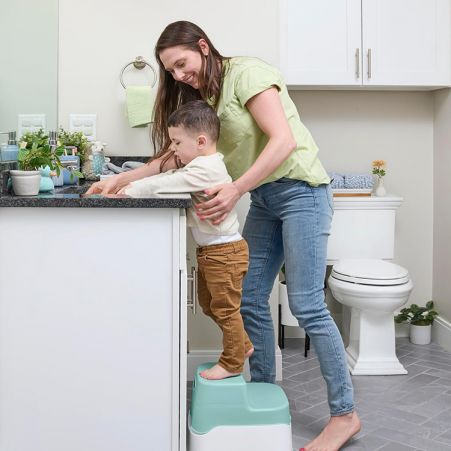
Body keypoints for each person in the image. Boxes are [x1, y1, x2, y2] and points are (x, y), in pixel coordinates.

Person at [87, 20, 361, 450]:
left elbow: (284, 141)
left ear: (203, 46)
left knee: (307, 305)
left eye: (182, 64)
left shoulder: (247, 73)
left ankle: (345, 415)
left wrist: (236, 188)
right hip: (266, 197)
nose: (179, 76)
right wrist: (119, 180)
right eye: (171, 71)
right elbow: (175, 156)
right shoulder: (205, 99)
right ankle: (264, 393)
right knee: (248, 298)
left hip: (302, 192)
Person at [119, 99, 253, 381]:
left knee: (226, 310)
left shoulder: (205, 169)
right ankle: (242, 344)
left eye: (177, 143)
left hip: (224, 253)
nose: (173, 149)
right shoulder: (200, 166)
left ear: (201, 142)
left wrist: (128, 190)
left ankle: (233, 362)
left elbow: (165, 182)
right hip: (214, 252)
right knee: (209, 305)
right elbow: (173, 175)